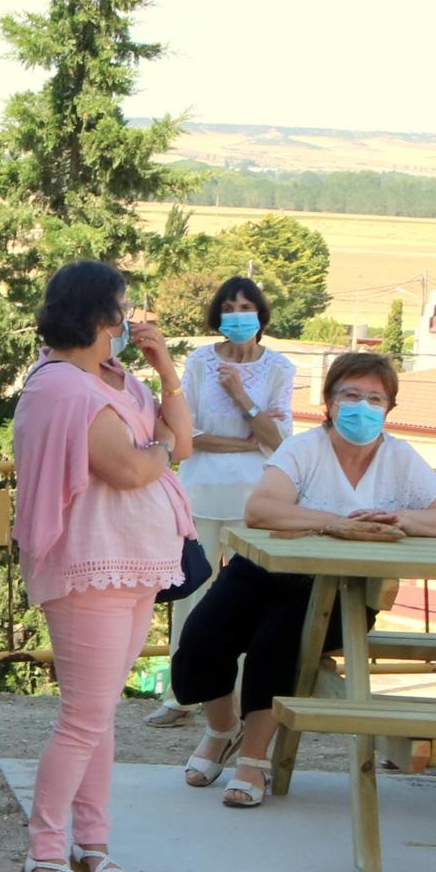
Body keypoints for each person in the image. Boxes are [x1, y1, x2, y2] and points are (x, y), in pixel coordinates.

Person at [167, 352, 436, 808]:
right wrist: (333, 522)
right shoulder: (303, 448)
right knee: (201, 640)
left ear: (388, 408)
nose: (362, 406)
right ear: (328, 402)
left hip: (342, 589)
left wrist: (403, 519)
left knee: (278, 644)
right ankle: (221, 730)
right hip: (263, 571)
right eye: (350, 395)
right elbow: (262, 509)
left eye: (374, 398)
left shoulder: (399, 458)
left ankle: (253, 757)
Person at [11, 263, 195, 872]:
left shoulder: (115, 382)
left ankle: (93, 841)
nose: (129, 320)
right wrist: (160, 449)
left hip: (136, 564)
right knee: (84, 716)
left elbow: (182, 441)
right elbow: (131, 469)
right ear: (99, 317)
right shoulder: (62, 387)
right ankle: (43, 850)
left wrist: (167, 369)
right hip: (91, 567)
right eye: (121, 308)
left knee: (102, 715)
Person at [165, 274, 292, 651]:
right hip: (199, 495)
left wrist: (241, 397)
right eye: (228, 309)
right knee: (190, 592)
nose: (237, 316)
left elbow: (278, 441)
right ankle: (180, 695)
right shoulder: (201, 361)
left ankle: (238, 697)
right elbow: (184, 432)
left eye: (245, 308)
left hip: (251, 502)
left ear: (259, 314)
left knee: (245, 597)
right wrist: (246, 442)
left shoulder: (278, 368)